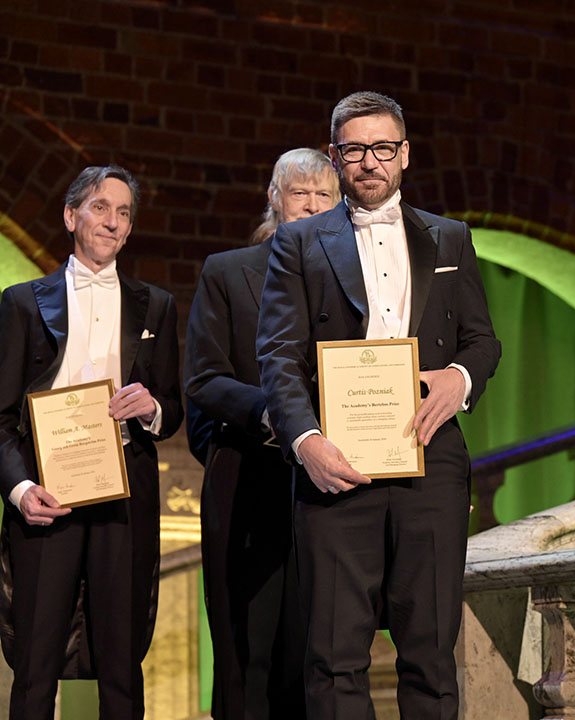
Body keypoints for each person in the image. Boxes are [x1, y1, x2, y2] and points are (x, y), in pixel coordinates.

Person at [256, 91, 500, 718]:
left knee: (432, 652)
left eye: (383, 148)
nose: (370, 162)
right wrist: (306, 443)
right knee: (334, 657)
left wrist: (460, 378)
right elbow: (278, 357)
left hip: (432, 461)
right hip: (337, 466)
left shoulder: (450, 237)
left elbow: (483, 341)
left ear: (405, 155)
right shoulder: (300, 244)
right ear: (336, 155)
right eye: (356, 149)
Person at [0, 166, 182, 719]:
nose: (113, 221)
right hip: (46, 495)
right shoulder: (22, 303)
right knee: (35, 661)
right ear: (70, 215)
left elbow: (174, 409)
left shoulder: (157, 305)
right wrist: (20, 488)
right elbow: (0, 416)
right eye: (101, 207)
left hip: (124, 496)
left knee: (123, 663)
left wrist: (151, 408)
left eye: (124, 212)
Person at [184, 148, 340, 719]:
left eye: (325, 195)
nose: (312, 204)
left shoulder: (350, 285)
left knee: (312, 649)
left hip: (326, 485)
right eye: (300, 192)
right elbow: (202, 377)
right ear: (274, 199)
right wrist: (272, 413)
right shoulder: (228, 271)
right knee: (246, 649)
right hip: (249, 475)